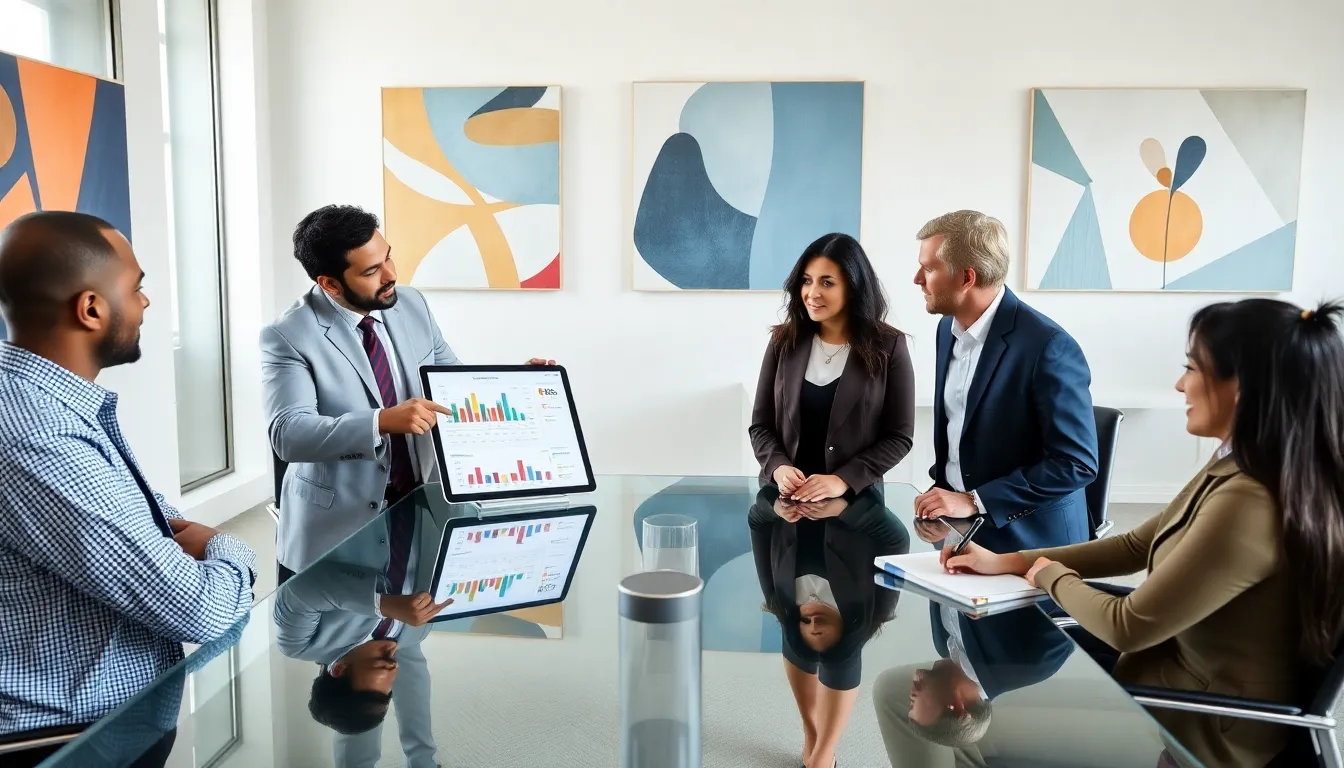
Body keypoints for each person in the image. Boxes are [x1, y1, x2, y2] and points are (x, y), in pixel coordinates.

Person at [943, 298, 1344, 767]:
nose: (1179, 383)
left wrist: (1048, 574)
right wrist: (1009, 562)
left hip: (1198, 728)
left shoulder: (1250, 499)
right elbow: (1137, 545)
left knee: (969, 732)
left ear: (1242, 388)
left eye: (1192, 368)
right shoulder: (1239, 464)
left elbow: (1127, 625)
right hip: (1165, 684)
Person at [0, 212, 255, 765]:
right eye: (135, 288)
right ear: (91, 309)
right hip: (70, 743)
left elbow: (147, 515)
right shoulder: (35, 434)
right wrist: (228, 549)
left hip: (106, 725)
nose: (144, 303)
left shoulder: (50, 404)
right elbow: (200, 610)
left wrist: (167, 535)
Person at [262, 205, 552, 582]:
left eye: (388, 257)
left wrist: (519, 387)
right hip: (335, 532)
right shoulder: (288, 335)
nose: (391, 275)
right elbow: (288, 434)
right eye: (371, 271)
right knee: (337, 640)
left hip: (420, 509)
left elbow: (454, 387)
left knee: (403, 635)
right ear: (330, 284)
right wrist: (382, 422)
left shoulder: (411, 304)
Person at [911, 210, 1097, 551]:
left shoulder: (1049, 346)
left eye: (929, 268)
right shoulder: (946, 329)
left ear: (967, 277)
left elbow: (1076, 463)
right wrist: (945, 496)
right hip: (956, 528)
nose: (917, 279)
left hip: (1031, 545)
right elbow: (961, 432)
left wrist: (974, 500)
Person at [274, 497, 449, 768]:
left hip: (359, 499)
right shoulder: (414, 635)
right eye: (393, 662)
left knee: (354, 713)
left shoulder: (300, 644)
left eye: (383, 660)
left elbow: (299, 593)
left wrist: (383, 604)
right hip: (422, 500)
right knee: (365, 713)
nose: (393, 656)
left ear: (339, 668)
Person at [749, 485, 910, 768]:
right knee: (835, 656)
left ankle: (820, 744)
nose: (812, 623)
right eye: (820, 626)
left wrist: (775, 507)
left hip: (790, 482)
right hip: (852, 492)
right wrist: (843, 509)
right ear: (843, 628)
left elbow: (757, 521)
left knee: (794, 638)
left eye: (805, 621)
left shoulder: (782, 600)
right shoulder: (876, 610)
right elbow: (897, 540)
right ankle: (818, 740)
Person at [749, 233, 916, 501]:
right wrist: (779, 468)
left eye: (827, 283)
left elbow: (899, 436)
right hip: (784, 502)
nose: (812, 293)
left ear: (853, 287)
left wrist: (843, 480)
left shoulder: (889, 345)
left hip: (856, 505)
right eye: (806, 281)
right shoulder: (783, 340)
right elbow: (761, 426)